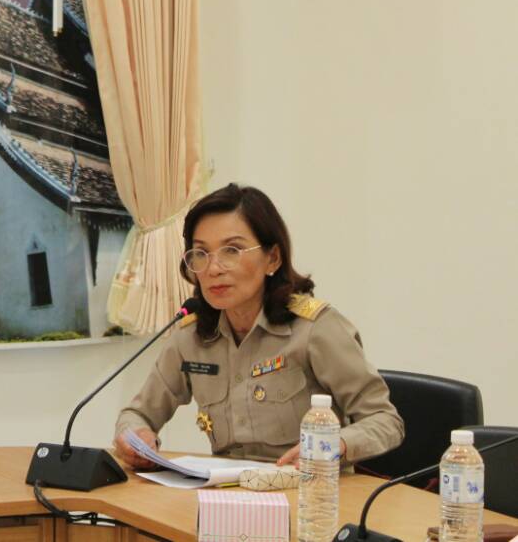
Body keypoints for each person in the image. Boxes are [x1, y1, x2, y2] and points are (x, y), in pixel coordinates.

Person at [113, 184, 403, 467]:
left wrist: (335, 445)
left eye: (232, 250)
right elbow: (137, 415)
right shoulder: (190, 337)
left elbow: (385, 420)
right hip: (226, 498)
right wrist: (136, 436)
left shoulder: (316, 329)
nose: (214, 268)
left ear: (272, 258)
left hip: (309, 496)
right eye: (201, 253)